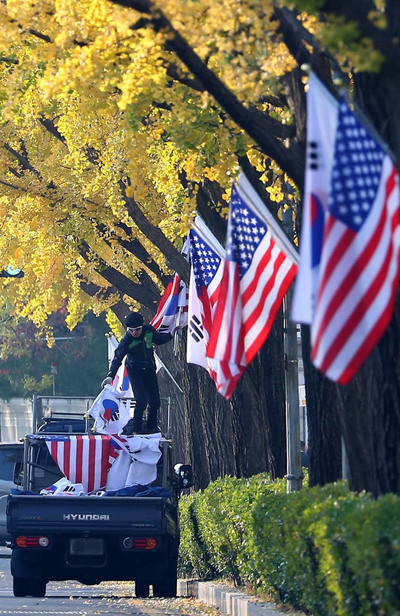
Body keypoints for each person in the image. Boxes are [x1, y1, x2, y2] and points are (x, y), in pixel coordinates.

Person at [101, 312, 172, 434]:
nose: (134, 333)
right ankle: (136, 430)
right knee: (141, 400)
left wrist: (172, 333)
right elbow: (117, 359)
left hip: (149, 369)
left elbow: (159, 340)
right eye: (131, 330)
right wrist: (110, 376)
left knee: (155, 402)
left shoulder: (149, 331)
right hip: (135, 371)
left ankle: (151, 428)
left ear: (142, 326)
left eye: (137, 330)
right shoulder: (127, 340)